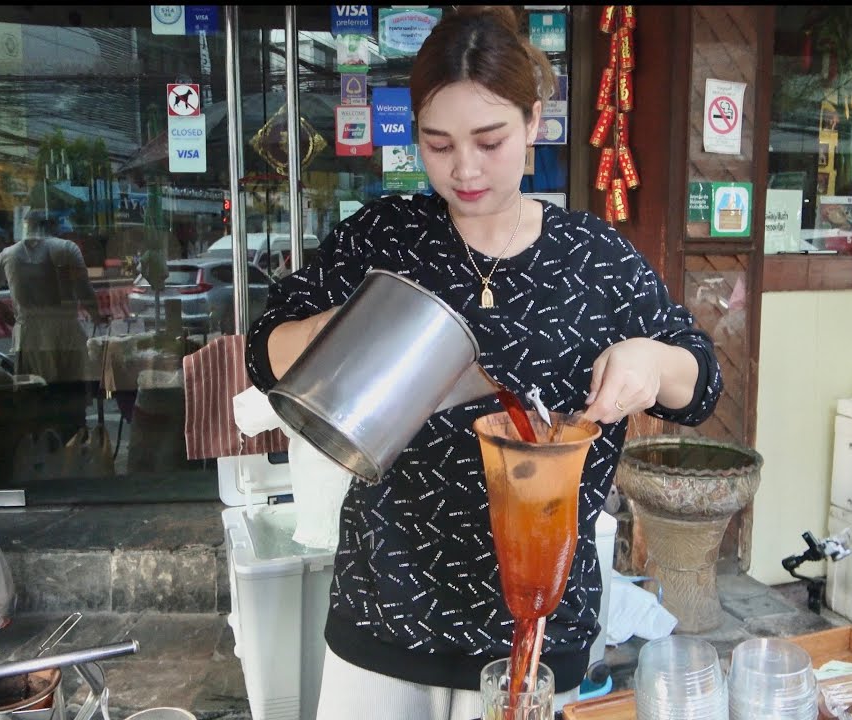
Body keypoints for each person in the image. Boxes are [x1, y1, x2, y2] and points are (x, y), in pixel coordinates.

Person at [245, 7, 723, 719]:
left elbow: (700, 383)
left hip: (534, 630)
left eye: (489, 140)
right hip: (386, 613)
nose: (463, 168)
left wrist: (651, 361)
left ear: (534, 124)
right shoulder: (386, 238)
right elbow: (265, 348)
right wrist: (349, 328)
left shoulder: (594, 258)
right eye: (438, 144)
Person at [0, 209, 107, 386]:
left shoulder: (9, 254)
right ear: (52, 226)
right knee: (72, 398)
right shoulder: (67, 248)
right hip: (67, 335)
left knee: (36, 398)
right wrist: (96, 316)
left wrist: (3, 309)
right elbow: (84, 291)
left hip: (29, 338)